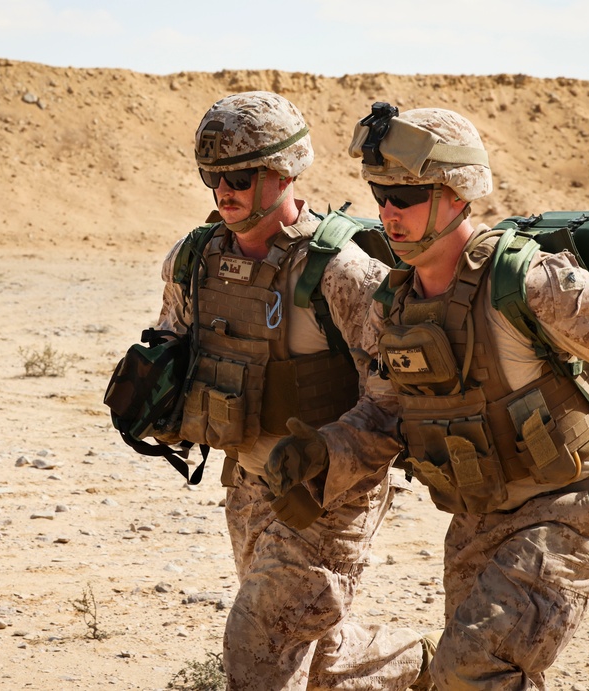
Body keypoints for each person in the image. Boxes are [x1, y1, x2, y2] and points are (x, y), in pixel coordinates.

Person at [267, 103, 589, 689]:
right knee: (477, 676)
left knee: (475, 669)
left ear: (456, 194)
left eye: (404, 197)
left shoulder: (527, 282)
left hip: (568, 510)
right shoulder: (395, 302)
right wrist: (324, 452)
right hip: (477, 517)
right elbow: (385, 410)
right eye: (380, 195)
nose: (387, 213)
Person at [154, 91, 428, 690]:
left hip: (331, 495)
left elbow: (397, 400)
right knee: (312, 654)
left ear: (285, 172)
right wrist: (154, 394)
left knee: (259, 646)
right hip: (248, 484)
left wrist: (328, 452)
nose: (223, 190)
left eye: (241, 176)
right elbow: (169, 340)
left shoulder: (342, 273)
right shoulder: (193, 259)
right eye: (212, 176)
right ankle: (417, 670)